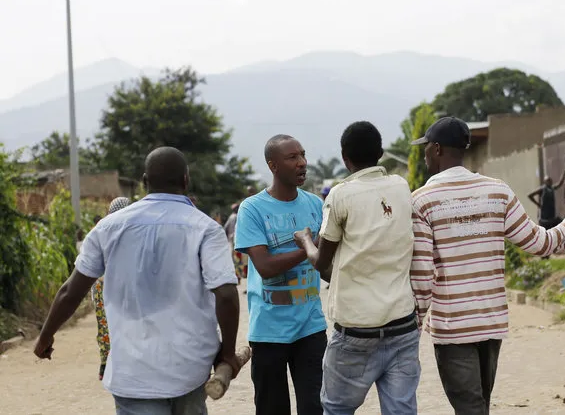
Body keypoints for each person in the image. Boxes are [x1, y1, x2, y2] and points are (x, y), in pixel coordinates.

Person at [34, 147, 241, 415]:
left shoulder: (108, 228)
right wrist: (227, 353)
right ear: (186, 180)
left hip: (133, 373)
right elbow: (226, 294)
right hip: (189, 368)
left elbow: (70, 291)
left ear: (144, 181)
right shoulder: (206, 228)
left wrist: (45, 336)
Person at [409, 117, 565, 415]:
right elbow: (541, 243)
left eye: (426, 149)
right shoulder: (498, 192)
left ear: (438, 149)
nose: (425, 155)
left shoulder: (421, 201)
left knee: (471, 408)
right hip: (491, 324)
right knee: (480, 405)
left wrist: (413, 328)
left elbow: (421, 277)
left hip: (453, 329)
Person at [294, 121, 421, 415]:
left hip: (356, 333)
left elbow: (322, 262)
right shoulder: (402, 187)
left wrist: (304, 242)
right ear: (380, 152)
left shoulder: (340, 195)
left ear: (344, 158)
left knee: (337, 409)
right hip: (402, 325)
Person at [234, 135, 327, 415]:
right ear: (273, 165)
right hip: (268, 331)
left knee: (314, 407)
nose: (302, 163)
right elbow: (265, 266)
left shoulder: (314, 205)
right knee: (272, 408)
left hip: (311, 327)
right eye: (292, 158)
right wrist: (307, 247)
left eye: (303, 155)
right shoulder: (252, 209)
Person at [91, 196, 131, 381]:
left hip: (101, 284)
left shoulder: (102, 229)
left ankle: (105, 364)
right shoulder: (133, 229)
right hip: (123, 284)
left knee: (105, 325)